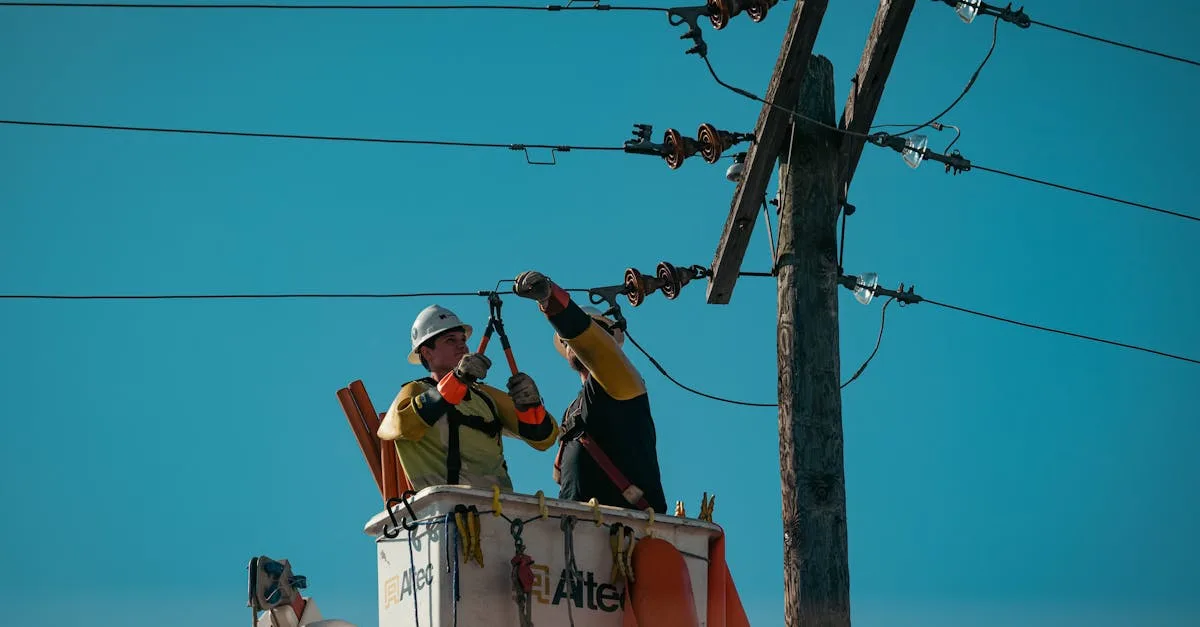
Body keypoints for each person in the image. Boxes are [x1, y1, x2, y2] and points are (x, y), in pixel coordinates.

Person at [511, 270, 668, 514]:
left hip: (629, 525)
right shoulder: (573, 410)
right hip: (576, 527)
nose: (571, 344)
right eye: (566, 342)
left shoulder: (624, 381)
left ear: (609, 338)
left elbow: (591, 344)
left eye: (572, 338)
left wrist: (550, 298)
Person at [376, 304, 559, 492]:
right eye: (450, 340)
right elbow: (398, 426)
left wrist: (532, 406)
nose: (462, 345)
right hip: (446, 509)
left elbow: (543, 439)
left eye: (462, 339)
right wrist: (455, 382)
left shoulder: (485, 397)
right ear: (426, 352)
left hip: (500, 510)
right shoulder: (415, 390)